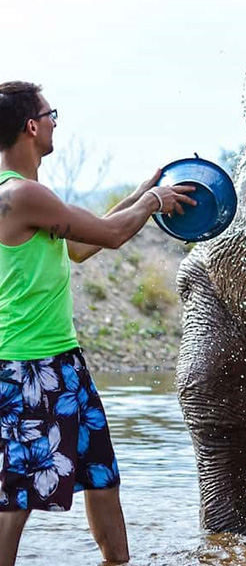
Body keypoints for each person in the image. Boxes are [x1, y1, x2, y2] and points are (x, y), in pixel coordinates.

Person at [0, 81, 196, 565]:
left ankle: (117, 561)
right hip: (28, 367)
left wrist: (142, 191)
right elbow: (109, 236)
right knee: (16, 500)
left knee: (102, 479)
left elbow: (82, 246)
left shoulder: (31, 196)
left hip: (63, 362)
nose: (53, 123)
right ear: (31, 125)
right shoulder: (23, 195)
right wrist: (154, 202)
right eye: (51, 115)